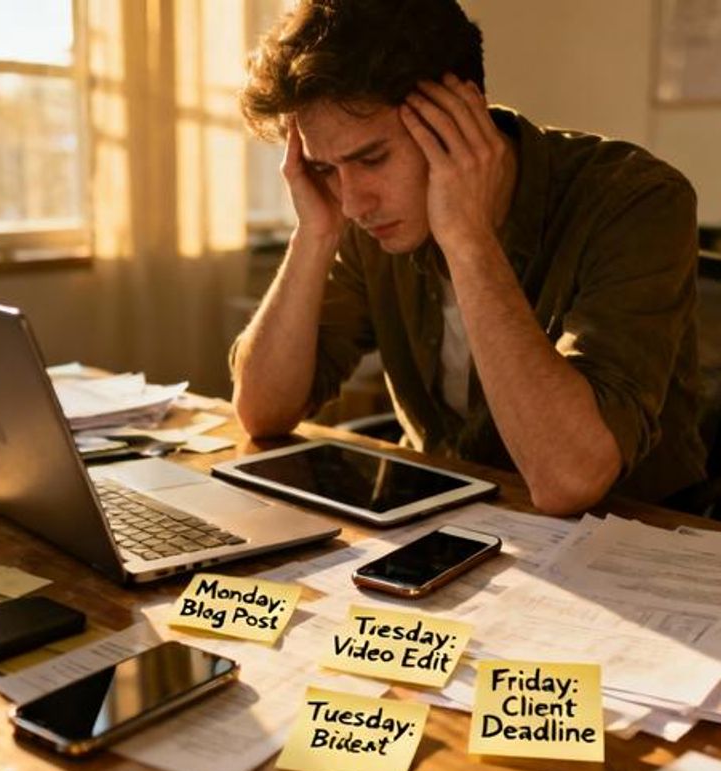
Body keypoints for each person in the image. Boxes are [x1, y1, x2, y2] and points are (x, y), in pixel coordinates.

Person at [230, 0, 706, 515]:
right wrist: (314, 235)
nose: (352, 203)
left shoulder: (636, 199)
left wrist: (468, 239)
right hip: (453, 516)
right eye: (325, 168)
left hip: (632, 536)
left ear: (463, 114)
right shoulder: (361, 213)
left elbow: (569, 480)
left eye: (373, 158)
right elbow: (262, 412)